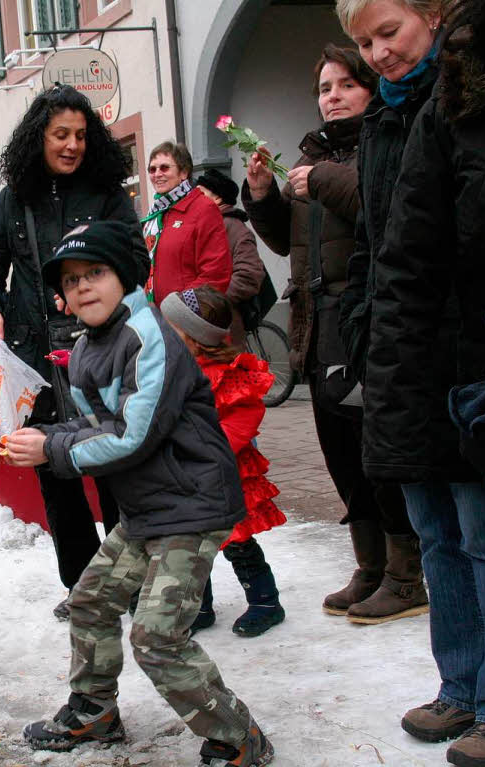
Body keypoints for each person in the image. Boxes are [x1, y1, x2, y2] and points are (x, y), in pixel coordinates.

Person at [6, 222, 272, 766]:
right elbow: (95, 427)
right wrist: (47, 436)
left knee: (156, 637)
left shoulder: (151, 336)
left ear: (124, 275)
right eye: (72, 279)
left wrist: (52, 452)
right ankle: (94, 711)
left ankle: (237, 736)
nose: (83, 287)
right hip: (148, 508)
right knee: (91, 602)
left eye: (95, 273)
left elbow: (133, 435)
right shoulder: (84, 349)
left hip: (192, 506)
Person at [344, 0, 485, 761]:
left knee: (484, 536)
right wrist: (364, 327)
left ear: (433, 15)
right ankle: (460, 684)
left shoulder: (464, 93)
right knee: (438, 532)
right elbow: (379, 243)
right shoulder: (384, 123)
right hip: (407, 351)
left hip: (468, 351)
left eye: (390, 32)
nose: (379, 53)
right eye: (364, 43)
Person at [243, 42, 428, 624]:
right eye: (325, 88)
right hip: (317, 322)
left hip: (366, 318)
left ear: (370, 89)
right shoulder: (313, 155)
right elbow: (285, 243)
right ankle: (370, 565)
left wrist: (320, 180)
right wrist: (264, 196)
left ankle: (406, 573)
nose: (334, 96)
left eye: (346, 84)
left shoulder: (382, 142)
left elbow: (384, 209)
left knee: (380, 452)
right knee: (342, 454)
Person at [0, 84, 149, 620]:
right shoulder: (14, 197)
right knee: (56, 475)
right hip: (34, 359)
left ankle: (131, 582)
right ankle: (83, 585)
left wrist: (89, 286)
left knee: (115, 467)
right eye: (60, 135)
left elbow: (135, 259)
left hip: (102, 350)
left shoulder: (107, 193)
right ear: (38, 138)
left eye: (80, 135)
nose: (71, 145)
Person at [160, 285, 287, 638]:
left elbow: (243, 418)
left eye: (171, 328)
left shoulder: (226, 373)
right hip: (185, 475)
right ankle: (199, 606)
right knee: (192, 547)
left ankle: (265, 602)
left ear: (196, 338)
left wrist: (206, 450)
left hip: (223, 473)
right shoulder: (171, 368)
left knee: (237, 542)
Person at [142, 143, 232, 305]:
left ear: (183, 172)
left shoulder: (203, 208)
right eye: (152, 169)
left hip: (188, 322)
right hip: (155, 320)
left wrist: (181, 309)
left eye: (164, 168)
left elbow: (215, 274)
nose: (157, 174)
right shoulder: (154, 214)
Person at [195, 169, 266, 345]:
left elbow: (249, 276)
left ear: (217, 198)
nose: (194, 200)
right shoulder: (206, 225)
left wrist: (209, 299)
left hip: (224, 327)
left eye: (200, 194)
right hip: (205, 323)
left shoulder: (235, 229)